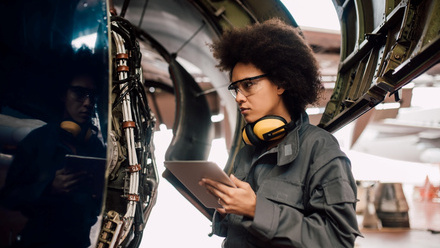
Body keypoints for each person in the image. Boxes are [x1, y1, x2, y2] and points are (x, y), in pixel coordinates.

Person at [199, 18, 362, 247]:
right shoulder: (250, 149)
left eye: (248, 85)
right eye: (236, 88)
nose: (238, 97)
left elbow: (338, 240)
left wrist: (256, 210)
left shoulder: (320, 149)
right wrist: (227, 212)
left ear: (280, 83)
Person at [0, 55, 106, 247]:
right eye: (79, 93)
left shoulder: (95, 147)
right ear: (62, 94)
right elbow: (10, 197)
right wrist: (48, 187)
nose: (88, 103)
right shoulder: (38, 141)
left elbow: (96, 209)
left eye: (93, 96)